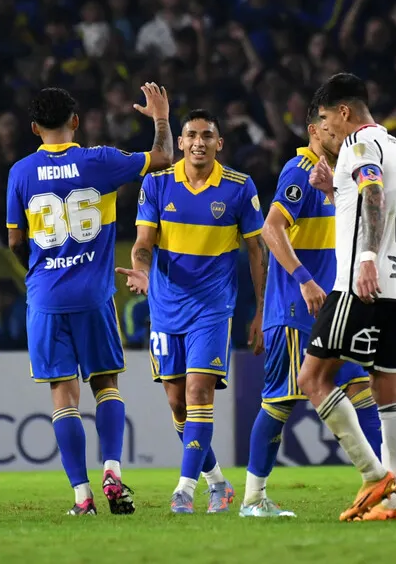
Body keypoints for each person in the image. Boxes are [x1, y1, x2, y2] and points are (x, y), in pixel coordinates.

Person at [242, 105, 396, 518]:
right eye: (326, 129)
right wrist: (303, 279)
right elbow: (270, 229)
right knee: (280, 402)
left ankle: (390, 483)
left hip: (342, 300)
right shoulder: (300, 170)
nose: (336, 135)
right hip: (302, 306)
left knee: (363, 390)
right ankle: (253, 497)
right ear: (314, 131)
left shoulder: (345, 169)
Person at [6, 84, 174, 516]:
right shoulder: (100, 161)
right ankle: (113, 470)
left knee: (64, 395)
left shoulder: (20, 172)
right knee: (106, 384)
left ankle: (82, 497)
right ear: (75, 122)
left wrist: (47, 265)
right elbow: (162, 159)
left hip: (46, 297)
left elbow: (13, 241)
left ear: (33, 128)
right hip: (95, 294)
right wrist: (160, 117)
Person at [120, 109, 267, 514]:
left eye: (207, 135)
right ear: (180, 143)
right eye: (191, 135)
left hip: (213, 308)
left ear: (219, 143)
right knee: (177, 404)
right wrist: (143, 270)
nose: (199, 142)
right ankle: (217, 482)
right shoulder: (157, 183)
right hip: (165, 307)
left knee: (199, 391)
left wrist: (260, 311)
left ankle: (183, 490)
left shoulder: (239, 187)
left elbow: (257, 250)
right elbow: (143, 243)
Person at [297, 72, 396, 522]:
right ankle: (394, 501)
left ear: (344, 112)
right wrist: (334, 189)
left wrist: (365, 256)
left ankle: (373, 475)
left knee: (312, 379)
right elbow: (367, 192)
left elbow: (371, 192)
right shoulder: (395, 147)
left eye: (327, 118)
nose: (327, 128)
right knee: (389, 389)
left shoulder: (358, 143)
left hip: (359, 284)